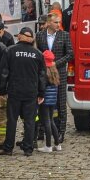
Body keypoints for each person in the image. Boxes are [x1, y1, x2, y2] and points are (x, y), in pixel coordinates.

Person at [0, 27, 46, 157]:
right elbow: (42, 75)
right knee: (30, 121)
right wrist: (41, 93)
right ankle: (28, 148)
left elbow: (4, 73)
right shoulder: (38, 54)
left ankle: (8, 148)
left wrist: (3, 90)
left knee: (12, 121)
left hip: (14, 91)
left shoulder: (10, 51)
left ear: (19, 37)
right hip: (31, 92)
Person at [35, 12, 73, 144]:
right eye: (56, 22)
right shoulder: (40, 35)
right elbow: (37, 51)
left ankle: (60, 131)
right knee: (43, 100)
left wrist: (56, 63)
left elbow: (70, 54)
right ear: (49, 23)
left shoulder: (64, 35)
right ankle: (41, 130)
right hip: (44, 74)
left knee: (60, 103)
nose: (58, 25)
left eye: (59, 22)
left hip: (59, 73)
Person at [37, 50, 61, 153]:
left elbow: (42, 85)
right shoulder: (54, 70)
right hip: (53, 99)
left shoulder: (44, 71)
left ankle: (48, 146)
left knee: (46, 121)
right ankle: (57, 144)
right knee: (51, 121)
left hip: (45, 99)